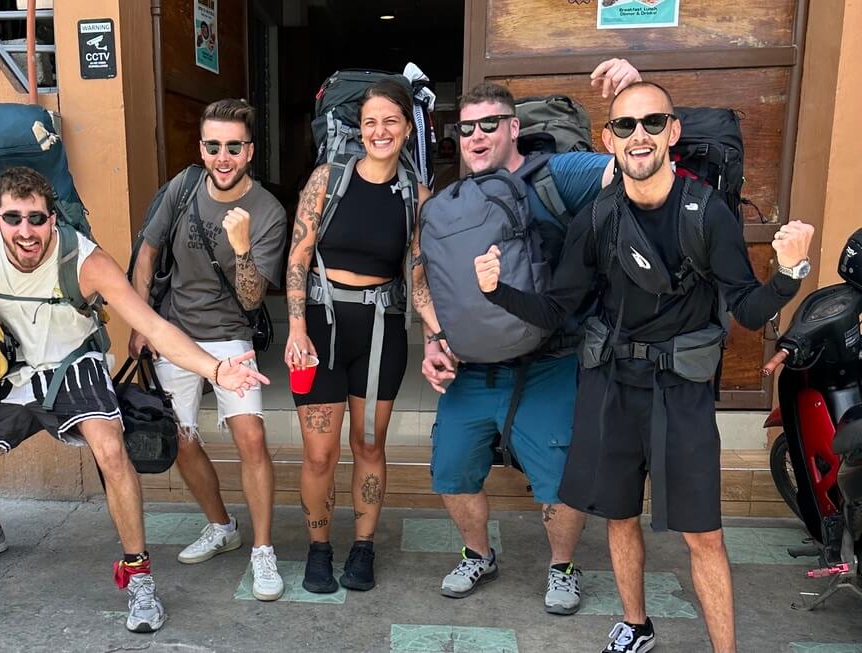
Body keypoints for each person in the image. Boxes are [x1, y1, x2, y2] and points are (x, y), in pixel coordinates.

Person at [476, 81, 813, 653]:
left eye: (653, 123)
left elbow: (749, 312)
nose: (639, 136)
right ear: (608, 139)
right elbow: (559, 309)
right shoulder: (598, 217)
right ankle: (636, 624)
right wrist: (497, 292)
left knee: (703, 534)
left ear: (673, 133)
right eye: (626, 125)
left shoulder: (706, 214)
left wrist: (790, 272)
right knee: (619, 515)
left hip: (680, 391)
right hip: (610, 384)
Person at [0, 165, 269, 633]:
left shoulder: (85, 260)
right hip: (9, 372)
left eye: (37, 218)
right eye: (14, 219)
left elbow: (153, 326)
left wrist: (217, 370)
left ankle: (138, 576)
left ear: (53, 219)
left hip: (73, 364)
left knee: (112, 451)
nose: (26, 231)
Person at [414, 59, 639, 616]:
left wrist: (634, 102)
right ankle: (477, 554)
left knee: (558, 481)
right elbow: (424, 274)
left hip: (550, 360)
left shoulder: (556, 175)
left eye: (490, 124)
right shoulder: (451, 200)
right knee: (450, 469)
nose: (476, 137)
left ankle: (562, 565)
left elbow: (635, 166)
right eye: (465, 128)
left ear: (515, 127)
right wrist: (434, 337)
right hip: (472, 367)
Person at [128, 99, 288, 601]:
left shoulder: (267, 210)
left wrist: (241, 245)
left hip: (230, 332)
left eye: (233, 147)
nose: (223, 156)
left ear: (250, 151)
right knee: (181, 439)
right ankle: (222, 526)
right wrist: (141, 322)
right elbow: (147, 250)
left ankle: (263, 550)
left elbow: (251, 297)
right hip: (173, 331)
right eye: (213, 146)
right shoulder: (184, 186)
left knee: (251, 439)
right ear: (202, 147)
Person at [284, 78, 431, 593]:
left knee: (369, 444)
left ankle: (363, 548)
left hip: (381, 329)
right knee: (319, 453)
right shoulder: (328, 179)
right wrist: (295, 327)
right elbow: (298, 256)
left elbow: (417, 276)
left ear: (407, 129)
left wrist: (438, 335)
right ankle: (319, 548)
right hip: (319, 328)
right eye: (371, 121)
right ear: (359, 129)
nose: (380, 130)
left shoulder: (416, 194)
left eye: (391, 120)